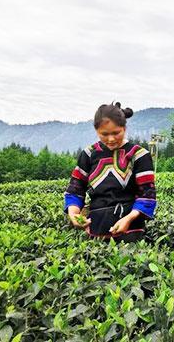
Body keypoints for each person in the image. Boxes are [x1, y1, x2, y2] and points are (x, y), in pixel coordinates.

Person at [63, 102, 157, 242]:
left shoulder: (139, 155)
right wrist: (73, 212)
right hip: (96, 230)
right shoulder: (89, 154)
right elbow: (76, 188)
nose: (111, 139)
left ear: (124, 128)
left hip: (131, 230)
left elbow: (147, 194)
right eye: (104, 134)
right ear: (96, 131)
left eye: (116, 133)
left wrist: (129, 218)